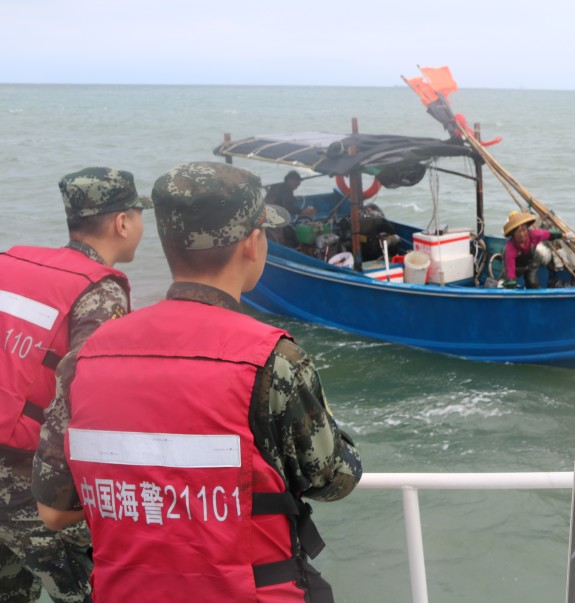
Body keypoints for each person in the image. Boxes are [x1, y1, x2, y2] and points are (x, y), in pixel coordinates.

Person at [35, 162, 361, 602]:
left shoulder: (84, 359)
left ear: (167, 242)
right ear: (252, 243)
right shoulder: (274, 360)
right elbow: (334, 479)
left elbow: (54, 510)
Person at [2, 167, 150, 603]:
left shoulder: (12, 262)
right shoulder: (100, 292)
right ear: (122, 222)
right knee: (97, 591)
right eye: (139, 215)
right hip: (27, 485)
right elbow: (93, 395)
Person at [501, 210, 562, 289]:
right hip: (516, 266)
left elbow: (547, 234)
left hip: (531, 263)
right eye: (518, 232)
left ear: (527, 229)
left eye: (524, 230)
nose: (522, 234)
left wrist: (561, 235)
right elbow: (510, 268)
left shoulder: (533, 235)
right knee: (510, 283)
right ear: (513, 234)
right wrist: (511, 279)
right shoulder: (510, 247)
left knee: (533, 283)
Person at [265, 170, 316, 244]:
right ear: (291, 180)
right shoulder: (287, 189)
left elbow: (278, 198)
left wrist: (292, 198)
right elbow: (288, 206)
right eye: (296, 184)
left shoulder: (277, 185)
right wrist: (303, 212)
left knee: (269, 236)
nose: (296, 187)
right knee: (278, 239)